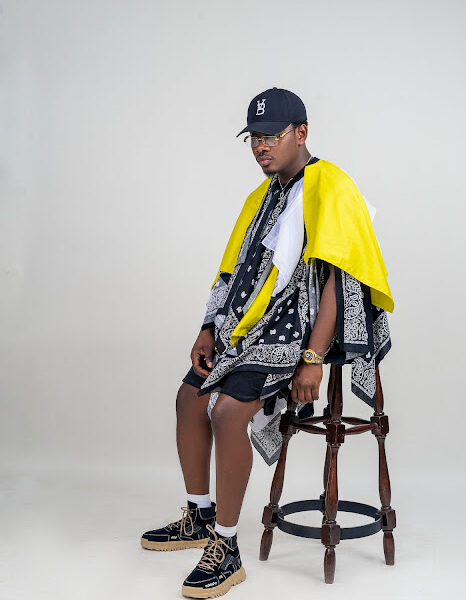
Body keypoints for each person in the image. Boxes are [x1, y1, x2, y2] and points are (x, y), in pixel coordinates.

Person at [140, 87, 394, 598]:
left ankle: (226, 546)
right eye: (254, 137)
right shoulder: (261, 195)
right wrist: (208, 326)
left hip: (298, 332)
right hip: (245, 326)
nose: (261, 146)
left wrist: (313, 357)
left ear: (301, 133)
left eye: (272, 135)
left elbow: (339, 280)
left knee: (227, 411)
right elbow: (232, 270)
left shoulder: (330, 185)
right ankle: (199, 517)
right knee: (189, 398)